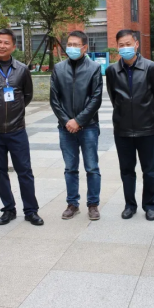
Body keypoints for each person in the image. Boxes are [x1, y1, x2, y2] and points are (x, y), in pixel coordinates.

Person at [0, 29, 44, 227]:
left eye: (6, 43)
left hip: (17, 130)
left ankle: (31, 211)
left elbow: (27, 95)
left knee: (25, 171)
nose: (2, 46)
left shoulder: (22, 69)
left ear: (13, 46)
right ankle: (8, 209)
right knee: (0, 171)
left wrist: (16, 111)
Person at [106, 29, 154, 222]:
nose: (125, 48)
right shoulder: (112, 70)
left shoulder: (151, 67)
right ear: (117, 47)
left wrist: (144, 112)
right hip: (122, 129)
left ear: (136, 44)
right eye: (121, 45)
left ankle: (150, 205)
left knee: (149, 170)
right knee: (126, 170)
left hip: (146, 127)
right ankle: (129, 205)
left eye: (128, 44)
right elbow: (114, 97)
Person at [51, 31, 103, 221]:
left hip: (88, 127)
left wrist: (79, 121)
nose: (71, 48)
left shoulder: (94, 68)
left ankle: (93, 204)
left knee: (92, 167)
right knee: (70, 168)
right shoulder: (58, 68)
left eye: (76, 45)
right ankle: (72, 203)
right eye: (69, 44)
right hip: (65, 128)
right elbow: (54, 99)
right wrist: (67, 121)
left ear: (84, 47)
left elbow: (96, 98)